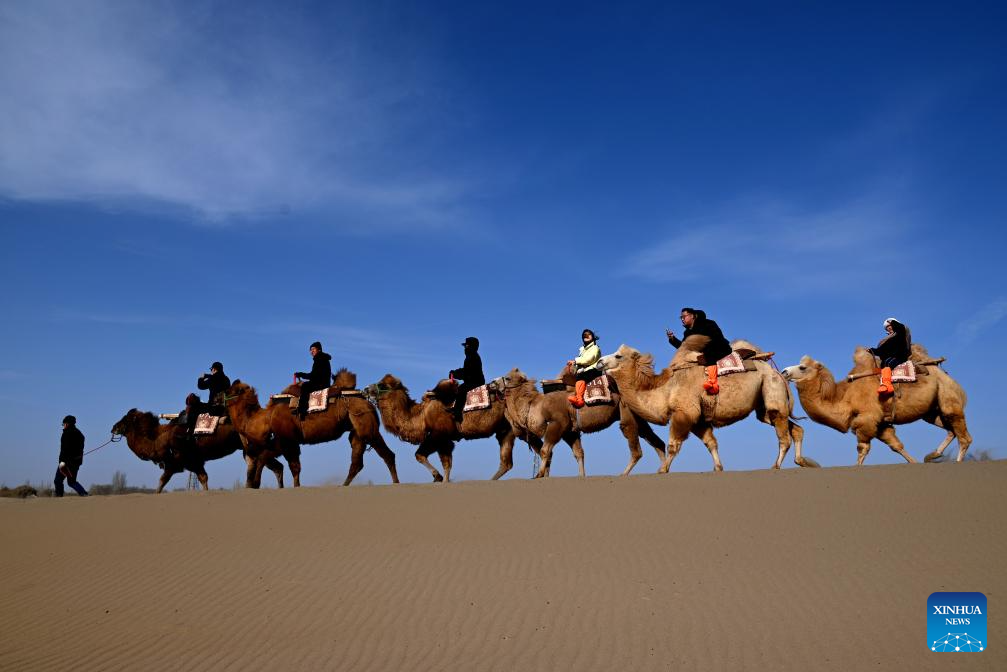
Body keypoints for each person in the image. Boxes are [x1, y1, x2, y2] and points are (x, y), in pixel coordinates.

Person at [666, 307, 733, 394]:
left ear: (692, 316)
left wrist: (701, 344)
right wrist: (672, 338)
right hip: (702, 353)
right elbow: (684, 347)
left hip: (720, 348)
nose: (682, 319)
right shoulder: (687, 333)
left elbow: (717, 337)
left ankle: (713, 384)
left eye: (684, 316)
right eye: (681, 318)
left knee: (709, 354)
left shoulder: (708, 323)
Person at [186, 362, 231, 439]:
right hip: (224, 407)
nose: (211, 371)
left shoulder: (212, 378)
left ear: (214, 369)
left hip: (213, 409)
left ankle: (190, 432)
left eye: (211, 369)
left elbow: (201, 386)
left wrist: (201, 378)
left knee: (194, 408)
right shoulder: (227, 379)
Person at [868, 317, 912, 395]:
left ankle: (887, 385)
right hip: (888, 359)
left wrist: (892, 321)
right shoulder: (886, 340)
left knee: (888, 363)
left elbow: (900, 327)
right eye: (887, 328)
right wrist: (872, 350)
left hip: (899, 357)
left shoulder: (901, 333)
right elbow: (881, 351)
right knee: (879, 367)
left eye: (890, 326)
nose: (889, 328)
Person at [449, 336, 485, 421]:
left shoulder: (473, 357)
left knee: (461, 390)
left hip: (475, 382)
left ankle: (457, 414)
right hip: (474, 381)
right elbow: (466, 370)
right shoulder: (472, 356)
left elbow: (467, 372)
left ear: (471, 347)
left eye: (467, 346)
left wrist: (455, 374)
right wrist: (455, 373)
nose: (465, 348)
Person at [294, 341, 332, 419]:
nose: (311, 352)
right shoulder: (322, 358)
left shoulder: (319, 359)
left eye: (313, 349)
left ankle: (302, 410)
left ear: (319, 350)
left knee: (305, 386)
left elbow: (313, 375)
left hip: (321, 383)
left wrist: (301, 374)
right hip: (323, 382)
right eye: (310, 350)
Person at [567, 329, 601, 408]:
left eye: (588, 334)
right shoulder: (583, 350)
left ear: (592, 337)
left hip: (594, 370)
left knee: (581, 376)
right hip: (586, 369)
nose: (586, 335)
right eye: (584, 335)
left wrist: (575, 361)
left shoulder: (595, 348)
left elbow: (589, 359)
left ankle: (579, 400)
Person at [55, 415, 88, 497]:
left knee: (58, 480)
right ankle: (84, 494)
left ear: (67, 424)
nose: (63, 425)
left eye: (64, 424)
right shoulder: (80, 434)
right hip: (75, 463)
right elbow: (80, 448)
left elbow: (64, 449)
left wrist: (61, 462)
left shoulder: (66, 433)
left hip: (65, 463)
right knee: (72, 482)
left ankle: (59, 498)